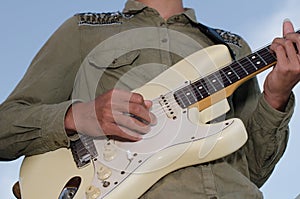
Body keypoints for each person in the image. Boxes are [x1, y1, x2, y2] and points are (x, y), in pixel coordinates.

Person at [0, 0, 299, 198]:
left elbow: (254, 171)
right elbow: (5, 128)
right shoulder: (84, 30)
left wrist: (276, 95)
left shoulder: (230, 47)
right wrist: (79, 116)